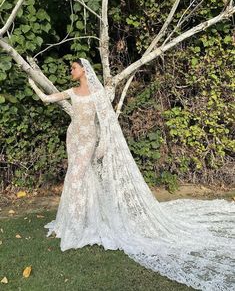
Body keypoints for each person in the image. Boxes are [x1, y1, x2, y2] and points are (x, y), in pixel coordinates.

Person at [29, 58, 235, 291]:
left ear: (84, 70)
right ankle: (76, 220)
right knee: (77, 178)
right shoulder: (72, 91)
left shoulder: (96, 95)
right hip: (73, 138)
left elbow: (106, 122)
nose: (71, 71)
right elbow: (48, 99)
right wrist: (32, 83)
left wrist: (104, 143)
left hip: (88, 140)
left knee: (76, 178)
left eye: (73, 68)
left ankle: (76, 224)